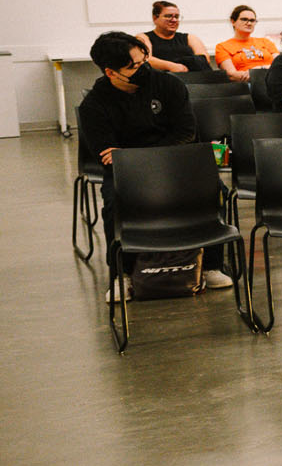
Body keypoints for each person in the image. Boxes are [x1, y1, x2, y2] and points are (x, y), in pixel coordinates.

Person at [78, 30, 233, 296]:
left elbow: (186, 133)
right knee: (114, 204)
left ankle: (211, 265)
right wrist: (136, 159)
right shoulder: (94, 105)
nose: (143, 69)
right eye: (134, 67)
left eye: (144, 61)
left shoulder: (168, 85)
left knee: (213, 189)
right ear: (111, 72)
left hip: (176, 163)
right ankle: (122, 274)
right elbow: (105, 154)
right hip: (128, 174)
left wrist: (134, 154)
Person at [139, 0, 211, 73]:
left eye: (176, 17)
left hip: (191, 78)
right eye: (168, 16)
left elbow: (204, 59)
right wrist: (172, 66)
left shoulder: (190, 38)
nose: (174, 20)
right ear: (155, 18)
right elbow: (146, 59)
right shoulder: (144, 38)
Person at [212, 4, 278, 82]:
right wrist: (260, 74)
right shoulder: (222, 47)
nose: (249, 23)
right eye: (244, 19)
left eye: (252, 20)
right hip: (246, 84)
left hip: (272, 81)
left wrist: (258, 70)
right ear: (233, 21)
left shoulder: (266, 42)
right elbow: (232, 75)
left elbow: (280, 66)